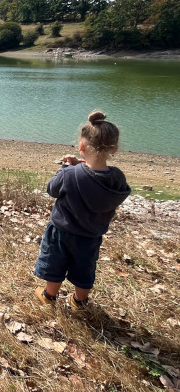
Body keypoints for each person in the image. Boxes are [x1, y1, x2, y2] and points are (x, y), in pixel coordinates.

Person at [34, 111, 130, 309]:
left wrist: (65, 168)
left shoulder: (69, 174)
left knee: (55, 262)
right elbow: (96, 178)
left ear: (81, 147)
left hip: (62, 231)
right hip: (90, 235)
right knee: (84, 267)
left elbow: (52, 189)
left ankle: (49, 296)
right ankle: (80, 301)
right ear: (114, 149)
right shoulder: (117, 178)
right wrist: (81, 167)